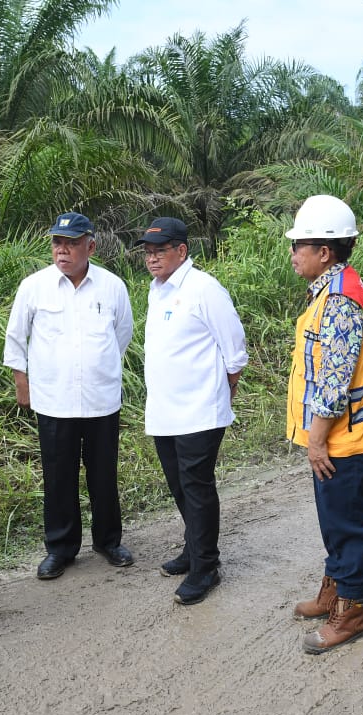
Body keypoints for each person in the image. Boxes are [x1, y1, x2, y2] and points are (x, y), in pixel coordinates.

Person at [4, 212, 135, 580]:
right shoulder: (34, 287)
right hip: (53, 399)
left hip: (101, 399)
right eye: (57, 242)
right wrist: (22, 382)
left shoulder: (112, 287)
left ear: (90, 246)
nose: (62, 250)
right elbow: (16, 337)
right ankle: (60, 549)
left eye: (72, 243)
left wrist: (97, 366)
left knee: (103, 475)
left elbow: (121, 335)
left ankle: (109, 542)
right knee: (59, 476)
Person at [285, 195, 363, 654]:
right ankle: (334, 590)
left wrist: (317, 441)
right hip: (341, 437)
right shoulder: (332, 288)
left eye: (298, 246)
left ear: (324, 251)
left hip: (345, 440)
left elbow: (334, 380)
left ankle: (353, 612)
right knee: (334, 520)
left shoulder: (341, 299)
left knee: (347, 524)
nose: (293, 254)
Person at [137, 217, 248, 605]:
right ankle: (193, 548)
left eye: (159, 251)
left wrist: (224, 389)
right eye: (148, 252)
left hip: (200, 410)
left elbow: (234, 349)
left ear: (181, 251)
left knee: (197, 487)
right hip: (165, 409)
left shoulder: (204, 288)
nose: (152, 259)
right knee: (178, 485)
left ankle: (206, 567)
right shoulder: (157, 290)